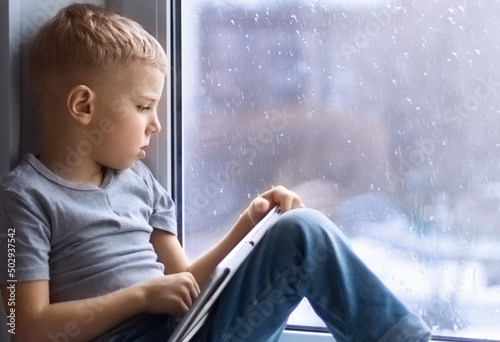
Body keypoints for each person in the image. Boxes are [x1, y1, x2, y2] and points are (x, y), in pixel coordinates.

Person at [0, 4, 431, 342]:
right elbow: (26, 326)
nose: (156, 124)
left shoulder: (140, 183)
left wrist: (248, 226)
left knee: (302, 230)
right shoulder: (24, 198)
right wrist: (142, 297)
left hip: (184, 332)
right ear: (84, 106)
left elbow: (183, 283)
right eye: (144, 106)